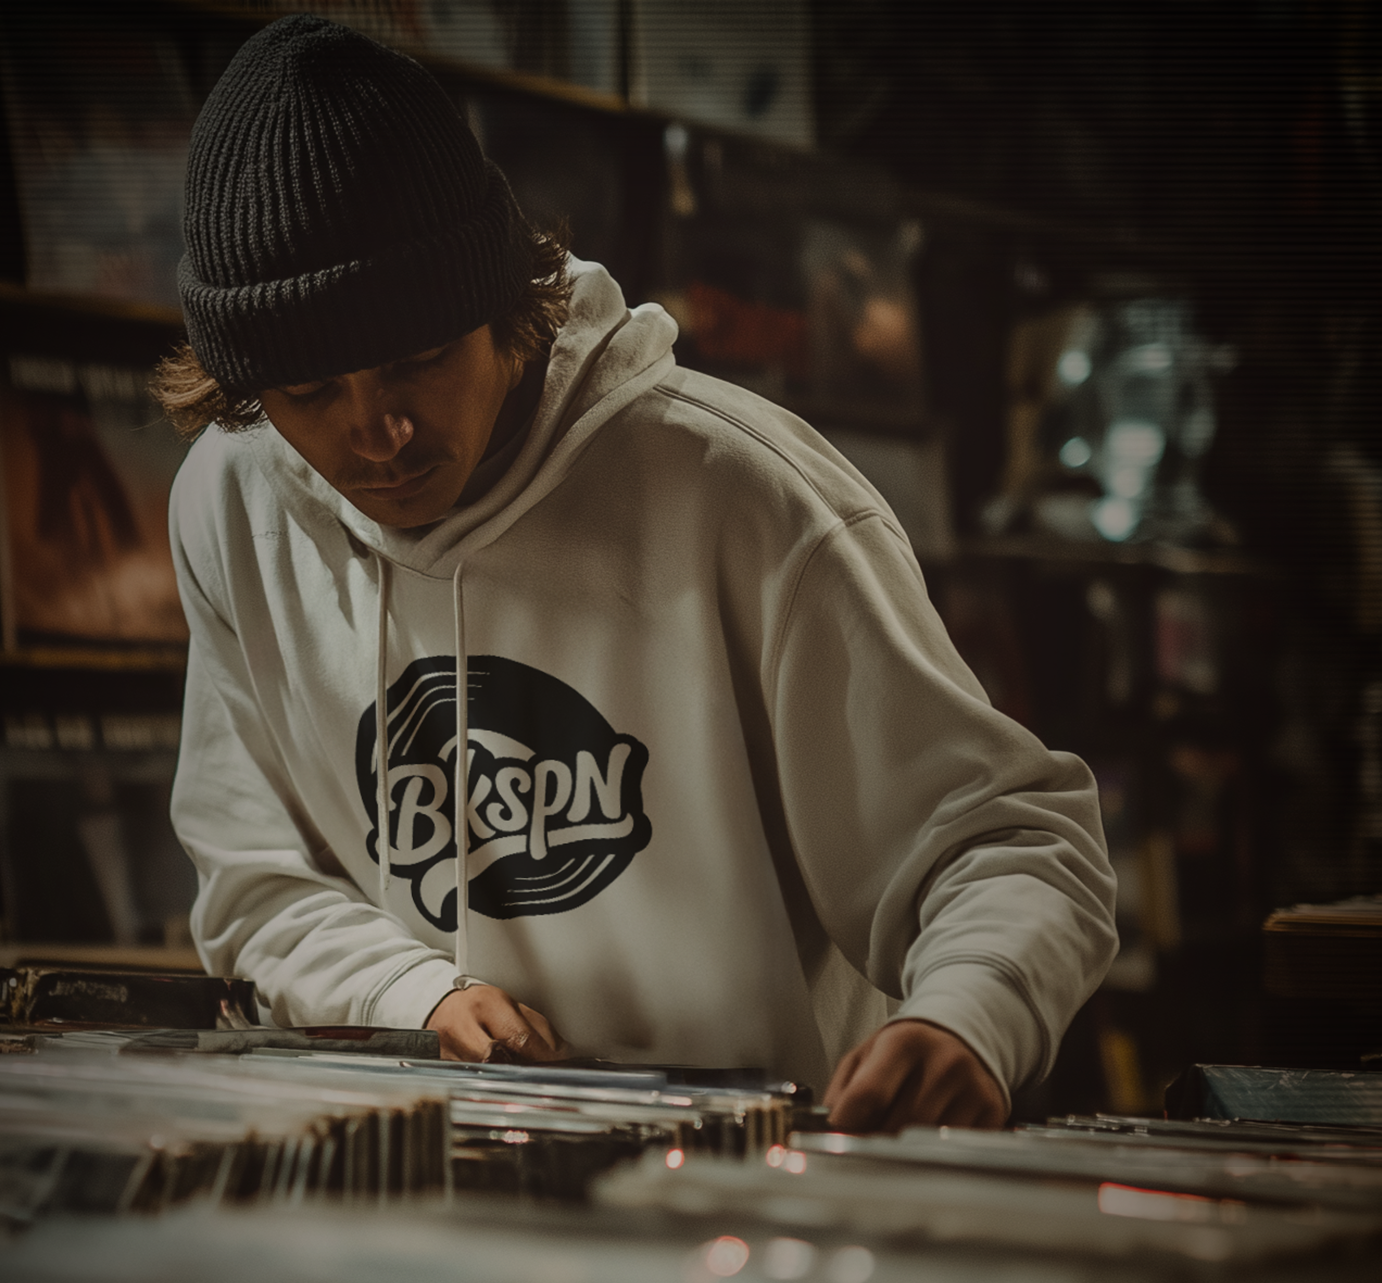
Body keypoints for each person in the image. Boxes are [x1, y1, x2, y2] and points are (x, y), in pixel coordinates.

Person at [152, 15, 1115, 1132]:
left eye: (416, 359)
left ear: (504, 309)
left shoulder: (745, 499)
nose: (379, 432)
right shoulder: (232, 504)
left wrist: (966, 1013)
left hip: (758, 1189)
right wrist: (412, 991)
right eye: (311, 393)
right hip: (423, 1188)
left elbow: (1009, 841)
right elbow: (255, 880)